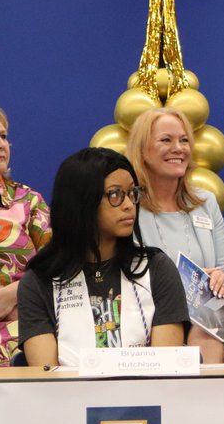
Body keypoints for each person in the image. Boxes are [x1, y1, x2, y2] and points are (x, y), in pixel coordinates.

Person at [18, 148, 188, 366]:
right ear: (82, 202)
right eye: (115, 194)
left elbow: (166, 370)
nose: (129, 205)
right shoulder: (39, 280)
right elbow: (47, 379)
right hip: (69, 398)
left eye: (132, 193)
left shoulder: (157, 268)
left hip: (147, 398)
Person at [127, 107, 224, 363]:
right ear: (143, 150)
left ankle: (207, 401)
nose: (178, 148)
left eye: (184, 140)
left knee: (212, 325)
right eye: (166, 140)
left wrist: (223, 280)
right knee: (209, 327)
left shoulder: (205, 202)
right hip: (152, 315)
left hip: (205, 315)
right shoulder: (129, 205)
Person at [0, 106, 52, 364]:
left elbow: (58, 268)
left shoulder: (29, 202)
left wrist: (13, 294)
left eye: (3, 136)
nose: (1, 144)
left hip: (21, 337)